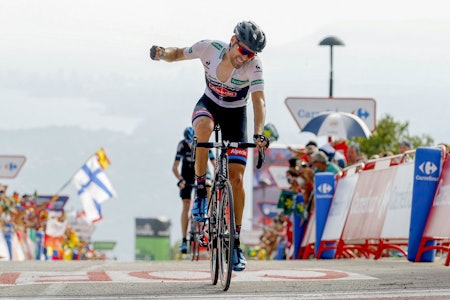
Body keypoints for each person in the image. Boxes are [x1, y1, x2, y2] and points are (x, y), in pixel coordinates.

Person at [151, 20, 270, 271]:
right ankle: (201, 194)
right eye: (243, 50)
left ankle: (235, 244)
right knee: (202, 130)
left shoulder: (254, 65)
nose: (245, 57)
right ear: (233, 41)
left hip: (236, 115)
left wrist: (258, 134)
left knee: (236, 179)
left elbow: (259, 102)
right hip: (209, 105)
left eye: (251, 53)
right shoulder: (210, 49)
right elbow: (179, 53)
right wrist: (163, 54)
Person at [172, 127, 215, 254]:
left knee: (207, 186)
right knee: (186, 204)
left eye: (192, 141)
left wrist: (213, 179)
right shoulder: (182, 146)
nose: (190, 144)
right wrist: (180, 180)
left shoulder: (203, 142)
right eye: (188, 142)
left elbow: (214, 163)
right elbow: (174, 167)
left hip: (202, 170)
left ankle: (209, 216)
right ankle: (184, 239)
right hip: (187, 173)